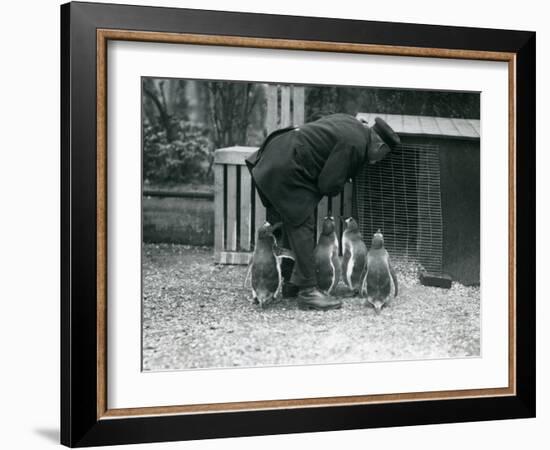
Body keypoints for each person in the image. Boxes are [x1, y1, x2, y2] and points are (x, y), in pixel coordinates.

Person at [245, 113, 400, 310]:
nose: (377, 161)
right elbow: (327, 184)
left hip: (278, 154)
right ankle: (308, 291)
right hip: (287, 165)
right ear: (380, 146)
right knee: (302, 223)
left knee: (290, 223)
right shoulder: (355, 144)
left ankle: (292, 283)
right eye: (381, 157)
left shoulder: (354, 126)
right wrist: (343, 179)